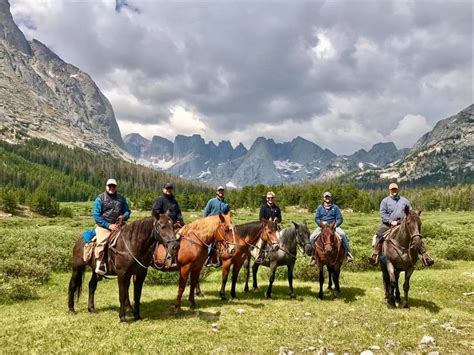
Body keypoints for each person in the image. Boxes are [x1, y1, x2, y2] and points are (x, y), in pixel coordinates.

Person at [369, 183, 434, 266]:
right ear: (389, 190)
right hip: (389, 224)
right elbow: (383, 214)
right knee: (379, 234)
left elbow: (410, 213)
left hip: (403, 224)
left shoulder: (405, 201)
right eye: (392, 189)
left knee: (416, 235)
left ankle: (425, 256)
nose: (394, 191)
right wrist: (391, 221)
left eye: (395, 189)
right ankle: (375, 255)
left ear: (398, 189)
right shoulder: (385, 201)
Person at [93, 179, 131, 275]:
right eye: (109, 186)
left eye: (113, 186)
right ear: (106, 186)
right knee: (101, 241)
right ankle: (100, 263)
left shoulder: (121, 199)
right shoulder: (100, 198)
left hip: (119, 225)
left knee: (130, 238)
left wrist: (124, 216)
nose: (111, 188)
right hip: (104, 226)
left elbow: (127, 210)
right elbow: (96, 215)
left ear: (116, 187)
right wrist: (109, 225)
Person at [306, 191, 353, 266]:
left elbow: (340, 218)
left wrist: (335, 225)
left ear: (330, 198)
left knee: (343, 235)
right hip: (322, 227)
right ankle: (313, 256)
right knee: (311, 237)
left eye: (328, 197)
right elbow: (317, 218)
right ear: (324, 198)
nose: (327, 198)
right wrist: (321, 224)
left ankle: (348, 253)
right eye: (326, 197)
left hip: (333, 226)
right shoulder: (319, 208)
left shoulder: (335, 208)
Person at [152, 183, 184, 268]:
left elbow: (178, 213)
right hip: (164, 225)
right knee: (171, 239)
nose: (169, 190)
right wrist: (166, 221)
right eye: (167, 188)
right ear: (163, 189)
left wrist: (180, 222)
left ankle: (183, 258)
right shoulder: (160, 200)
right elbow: (155, 212)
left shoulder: (174, 201)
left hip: (174, 224)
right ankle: (169, 259)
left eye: (170, 188)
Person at [203, 186, 230, 267]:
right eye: (219, 191)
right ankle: (207, 258)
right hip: (211, 226)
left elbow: (227, 216)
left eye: (222, 191)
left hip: (222, 227)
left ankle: (223, 258)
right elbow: (205, 214)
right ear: (217, 192)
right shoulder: (211, 201)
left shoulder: (226, 204)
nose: (221, 192)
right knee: (211, 242)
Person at [255, 191, 282, 263]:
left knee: (282, 237)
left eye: (272, 198)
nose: (270, 199)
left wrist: (277, 219)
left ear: (274, 199)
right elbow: (261, 218)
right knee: (263, 240)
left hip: (275, 228)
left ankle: (283, 254)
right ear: (266, 199)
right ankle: (260, 255)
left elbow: (280, 219)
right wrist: (267, 222)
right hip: (266, 228)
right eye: (269, 198)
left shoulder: (277, 208)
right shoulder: (263, 207)